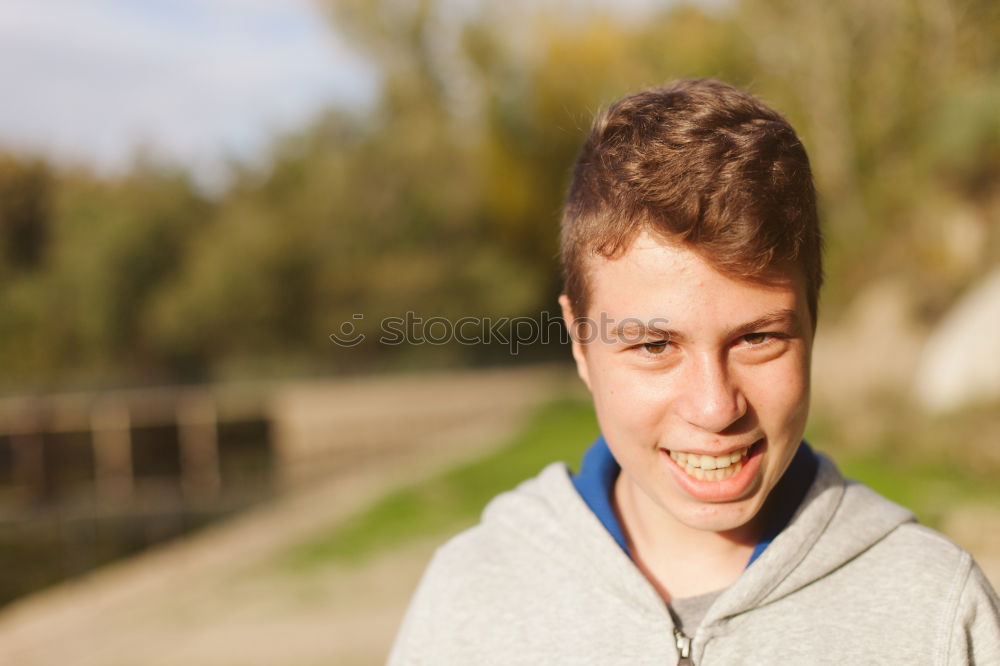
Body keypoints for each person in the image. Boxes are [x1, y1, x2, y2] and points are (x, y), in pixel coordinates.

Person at [387, 79, 1000, 665]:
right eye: (655, 346)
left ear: (813, 325)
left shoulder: (937, 613)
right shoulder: (471, 600)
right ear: (580, 341)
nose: (715, 407)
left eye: (757, 338)